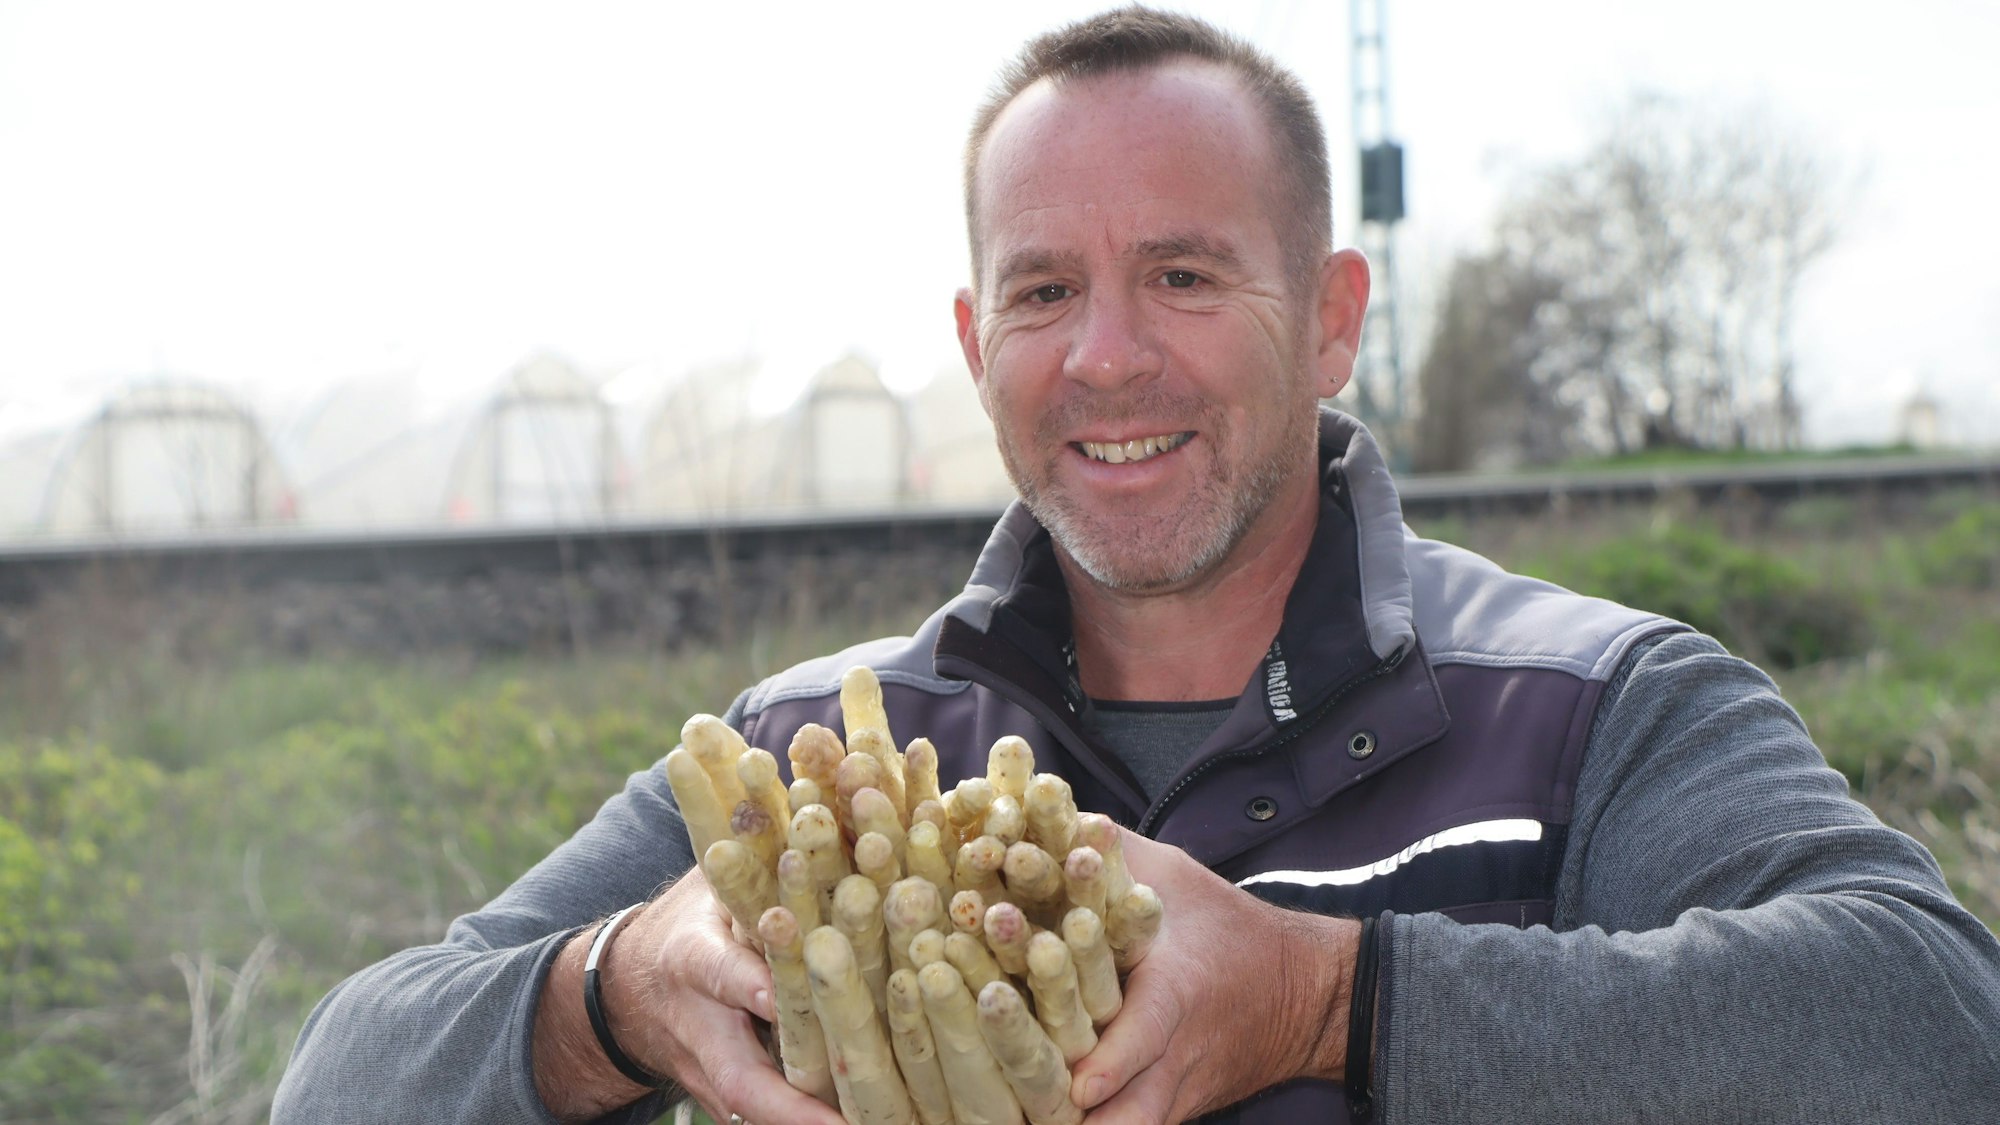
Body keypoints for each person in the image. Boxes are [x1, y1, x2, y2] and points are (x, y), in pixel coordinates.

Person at [273, 8, 2000, 1123]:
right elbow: (338, 1083)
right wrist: (613, 996)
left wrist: (1335, 1002)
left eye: (1183, 275)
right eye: (1043, 290)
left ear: (1329, 321)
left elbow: (1932, 1024)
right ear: (973, 339)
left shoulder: (1587, 707)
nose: (1105, 357)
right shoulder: (812, 762)